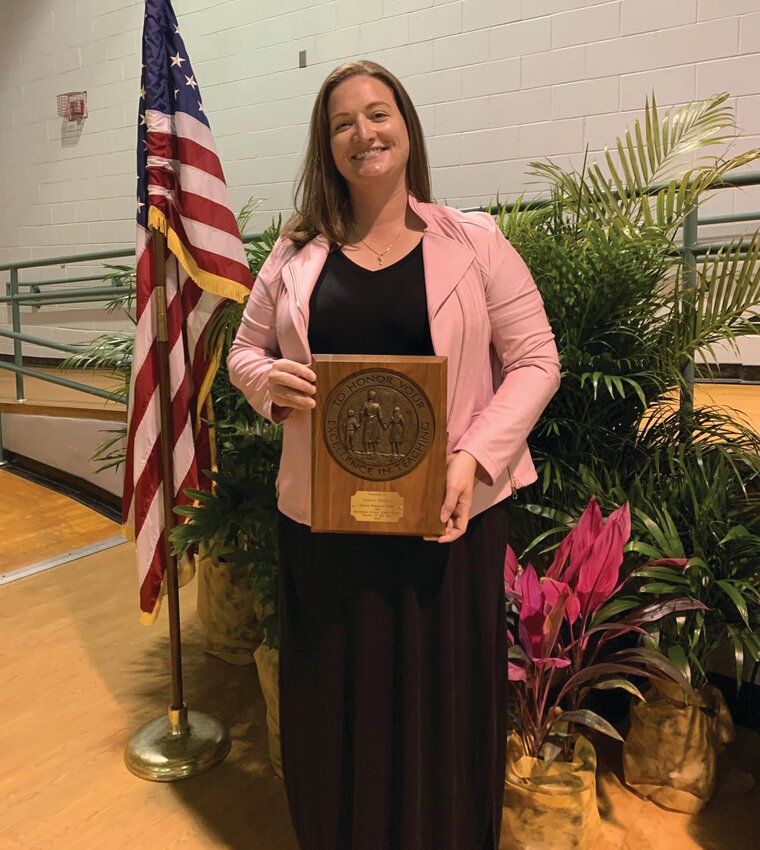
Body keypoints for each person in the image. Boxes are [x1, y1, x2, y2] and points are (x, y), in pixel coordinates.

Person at [227, 60, 560, 850]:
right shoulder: (295, 252)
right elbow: (244, 351)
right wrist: (269, 380)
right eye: (343, 123)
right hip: (327, 531)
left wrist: (472, 459)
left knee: (441, 705)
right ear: (327, 144)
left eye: (378, 115)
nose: (362, 134)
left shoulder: (474, 242)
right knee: (335, 701)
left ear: (406, 128)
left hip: (447, 524)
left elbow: (539, 360)